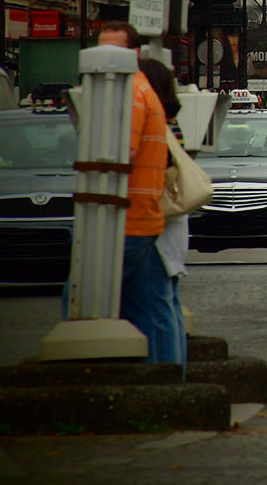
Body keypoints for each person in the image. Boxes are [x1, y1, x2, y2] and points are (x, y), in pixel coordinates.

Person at [94, 21, 181, 365]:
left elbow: (121, 155)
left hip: (137, 214)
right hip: (152, 216)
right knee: (156, 301)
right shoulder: (152, 102)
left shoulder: (135, 95)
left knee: (93, 297)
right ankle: (167, 377)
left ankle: (160, 377)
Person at [139, 58, 188, 375]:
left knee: (157, 301)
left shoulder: (156, 122)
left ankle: (167, 374)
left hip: (155, 218)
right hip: (171, 222)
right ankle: (172, 370)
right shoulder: (173, 124)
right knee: (166, 300)